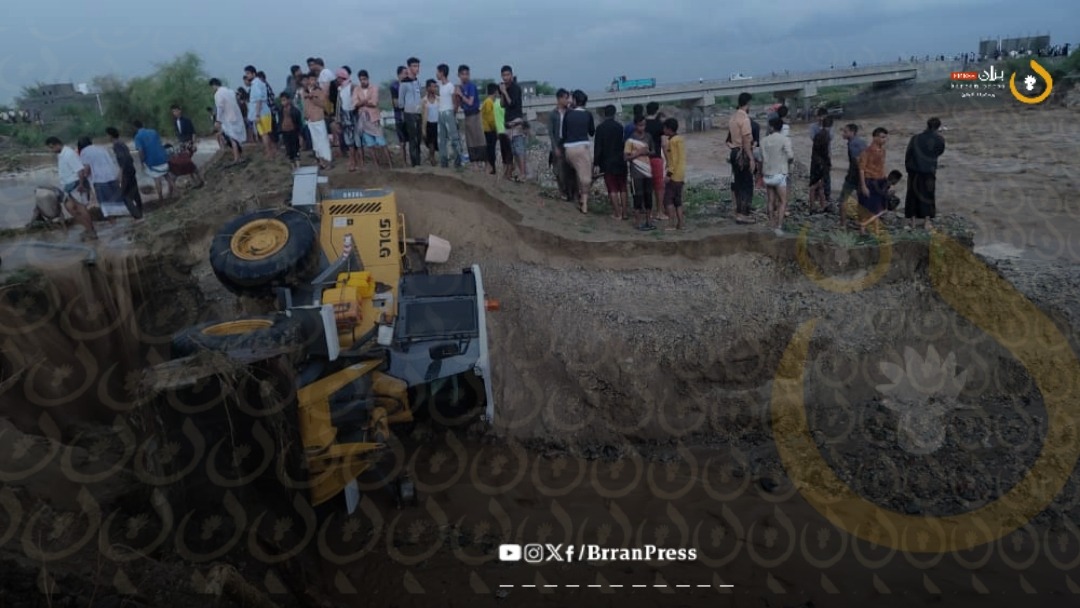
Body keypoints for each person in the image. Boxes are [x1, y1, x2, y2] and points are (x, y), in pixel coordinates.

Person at [45, 136, 96, 240]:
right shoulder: (61, 154)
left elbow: (80, 170)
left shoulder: (69, 154)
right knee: (70, 207)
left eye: (51, 148)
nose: (51, 150)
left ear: (57, 145)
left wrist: (81, 185)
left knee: (81, 208)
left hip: (77, 184)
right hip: (69, 186)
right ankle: (88, 229)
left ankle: (91, 231)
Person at [904, 117, 946, 230]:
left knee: (912, 194)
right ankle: (927, 221)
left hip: (914, 171)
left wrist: (909, 168)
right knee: (928, 195)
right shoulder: (939, 139)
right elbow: (940, 151)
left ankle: (912, 220)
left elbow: (908, 154)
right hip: (929, 171)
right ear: (938, 127)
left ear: (927, 125)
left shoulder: (915, 138)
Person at [560, 89, 596, 214]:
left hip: (569, 149)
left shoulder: (568, 114)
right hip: (582, 148)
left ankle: (575, 196)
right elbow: (592, 132)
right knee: (585, 177)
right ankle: (584, 203)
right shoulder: (588, 115)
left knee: (576, 172)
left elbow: (563, 133)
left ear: (575, 100)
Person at [761, 117, 794, 235]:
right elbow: (790, 156)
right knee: (783, 201)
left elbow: (763, 157)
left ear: (771, 127)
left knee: (770, 201)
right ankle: (779, 227)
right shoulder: (785, 139)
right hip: (780, 174)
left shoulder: (764, 140)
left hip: (768, 175)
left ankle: (771, 224)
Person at [593, 104, 627, 220]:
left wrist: (596, 163)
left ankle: (617, 214)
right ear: (614, 113)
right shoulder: (620, 127)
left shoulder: (600, 128)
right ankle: (625, 213)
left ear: (604, 114)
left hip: (607, 162)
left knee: (612, 188)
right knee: (622, 187)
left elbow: (598, 148)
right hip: (621, 161)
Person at [352, 70, 392, 168]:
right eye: (361, 80)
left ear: (368, 78)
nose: (362, 81)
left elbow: (374, 102)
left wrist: (362, 103)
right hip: (363, 121)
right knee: (370, 144)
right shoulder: (357, 89)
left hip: (373, 118)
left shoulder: (374, 88)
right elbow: (354, 104)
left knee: (382, 142)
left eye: (364, 79)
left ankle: (390, 164)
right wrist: (365, 102)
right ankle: (376, 165)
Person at [727, 93, 756, 224]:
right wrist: (751, 158)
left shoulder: (733, 118)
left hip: (734, 152)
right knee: (747, 184)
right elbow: (746, 139)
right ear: (748, 103)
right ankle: (744, 213)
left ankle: (739, 212)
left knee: (738, 184)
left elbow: (728, 140)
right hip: (742, 154)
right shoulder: (744, 119)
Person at [856, 127, 890, 235]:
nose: (884, 140)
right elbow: (861, 169)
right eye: (882, 137)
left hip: (881, 180)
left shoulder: (883, 151)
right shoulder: (866, 152)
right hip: (870, 181)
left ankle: (875, 230)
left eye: (885, 137)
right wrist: (863, 185)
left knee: (880, 207)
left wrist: (887, 181)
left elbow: (882, 166)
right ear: (875, 137)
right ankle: (863, 227)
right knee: (869, 207)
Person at [624, 116, 656, 231]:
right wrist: (638, 153)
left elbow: (653, 151)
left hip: (647, 171)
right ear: (635, 125)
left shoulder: (648, 137)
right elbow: (626, 157)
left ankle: (649, 220)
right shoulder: (630, 140)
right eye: (640, 125)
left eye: (644, 125)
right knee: (637, 197)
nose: (642, 127)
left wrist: (648, 152)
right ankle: (637, 222)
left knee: (648, 197)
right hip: (636, 172)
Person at [133, 121, 177, 201]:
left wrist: (142, 162)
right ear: (143, 125)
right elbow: (160, 143)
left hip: (153, 161)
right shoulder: (153, 131)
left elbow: (141, 151)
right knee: (167, 176)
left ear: (135, 128)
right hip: (163, 157)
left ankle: (160, 198)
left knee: (157, 179)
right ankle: (174, 193)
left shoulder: (138, 137)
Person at [107, 127, 144, 220]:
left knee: (124, 195)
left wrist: (120, 173)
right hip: (131, 169)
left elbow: (122, 159)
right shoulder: (122, 143)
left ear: (110, 136)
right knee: (135, 192)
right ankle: (140, 212)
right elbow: (129, 158)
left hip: (126, 171)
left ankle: (137, 215)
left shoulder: (116, 145)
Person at [837, 123, 868, 229]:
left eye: (845, 131)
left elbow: (858, 162)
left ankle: (842, 224)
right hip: (863, 176)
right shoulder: (862, 142)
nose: (843, 133)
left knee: (843, 199)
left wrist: (859, 176)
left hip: (853, 177)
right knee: (862, 201)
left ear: (852, 132)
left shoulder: (852, 144)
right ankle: (861, 224)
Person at [210, 78, 246, 164]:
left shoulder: (218, 94)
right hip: (236, 116)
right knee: (236, 137)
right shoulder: (229, 91)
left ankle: (236, 158)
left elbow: (220, 107)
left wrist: (218, 120)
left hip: (228, 119)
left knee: (232, 138)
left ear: (214, 85)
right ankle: (239, 157)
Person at [499, 65, 526, 181]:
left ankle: (523, 173)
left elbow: (512, 103)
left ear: (511, 75)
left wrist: (505, 92)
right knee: (513, 150)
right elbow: (502, 105)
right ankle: (519, 172)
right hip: (508, 121)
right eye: (504, 75)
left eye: (507, 75)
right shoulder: (505, 88)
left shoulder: (515, 88)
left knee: (519, 148)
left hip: (516, 121)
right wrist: (502, 93)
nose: (505, 77)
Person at [301, 71, 333, 170]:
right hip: (311, 120)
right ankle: (320, 161)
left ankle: (328, 161)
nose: (312, 81)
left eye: (314, 80)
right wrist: (306, 116)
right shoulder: (304, 92)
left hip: (319, 118)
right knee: (316, 142)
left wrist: (313, 98)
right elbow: (305, 106)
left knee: (323, 140)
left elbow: (323, 105)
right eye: (310, 80)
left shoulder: (320, 91)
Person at [457, 65, 485, 172]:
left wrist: (461, 95)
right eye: (463, 74)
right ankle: (474, 164)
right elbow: (461, 104)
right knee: (470, 140)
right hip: (467, 115)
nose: (465, 76)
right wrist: (458, 96)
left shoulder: (471, 86)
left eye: (467, 74)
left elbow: (470, 102)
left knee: (477, 138)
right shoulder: (460, 87)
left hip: (474, 115)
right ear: (459, 75)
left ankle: (479, 163)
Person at [547, 89, 574, 200]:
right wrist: (555, 147)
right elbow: (551, 132)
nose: (567, 100)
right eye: (565, 98)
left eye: (568, 98)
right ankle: (562, 191)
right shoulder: (553, 114)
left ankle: (571, 192)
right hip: (558, 144)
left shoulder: (570, 112)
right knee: (559, 170)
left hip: (568, 144)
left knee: (570, 169)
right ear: (559, 99)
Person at [435, 64, 462, 168]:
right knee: (441, 140)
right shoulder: (441, 86)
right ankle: (444, 162)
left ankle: (458, 162)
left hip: (448, 112)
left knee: (454, 138)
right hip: (441, 113)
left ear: (442, 73)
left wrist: (453, 113)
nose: (436, 74)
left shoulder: (450, 86)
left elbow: (455, 101)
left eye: (437, 72)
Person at [398, 57, 424, 167]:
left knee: (418, 138)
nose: (416, 68)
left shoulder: (417, 81)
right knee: (413, 139)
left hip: (418, 112)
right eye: (414, 66)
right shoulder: (404, 83)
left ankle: (418, 161)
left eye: (417, 66)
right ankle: (415, 164)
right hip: (409, 113)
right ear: (409, 67)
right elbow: (400, 101)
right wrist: (404, 112)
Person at [662, 118, 687, 231]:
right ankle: (681, 224)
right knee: (678, 201)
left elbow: (674, 160)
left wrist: (668, 174)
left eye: (665, 128)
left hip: (674, 175)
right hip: (681, 174)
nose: (663, 130)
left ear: (668, 129)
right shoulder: (680, 139)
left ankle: (671, 224)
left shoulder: (672, 142)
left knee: (668, 200)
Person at [644, 102, 666, 222]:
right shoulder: (659, 125)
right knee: (659, 186)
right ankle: (659, 212)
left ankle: (649, 212)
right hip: (656, 157)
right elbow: (663, 143)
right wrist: (668, 159)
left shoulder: (642, 124)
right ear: (657, 111)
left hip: (643, 158)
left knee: (647, 186)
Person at [809, 116, 833, 213]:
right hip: (821, 165)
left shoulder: (818, 135)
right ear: (831, 125)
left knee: (819, 186)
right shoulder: (826, 136)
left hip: (815, 163)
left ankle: (822, 205)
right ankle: (813, 207)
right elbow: (825, 153)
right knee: (815, 186)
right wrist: (828, 164)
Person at [278, 93, 303, 169]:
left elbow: (299, 123)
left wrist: (300, 135)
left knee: (295, 148)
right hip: (285, 132)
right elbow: (280, 121)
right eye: (282, 100)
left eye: (284, 100)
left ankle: (298, 166)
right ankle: (293, 166)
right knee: (289, 150)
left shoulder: (295, 111)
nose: (283, 102)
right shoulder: (281, 110)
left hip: (293, 131)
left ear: (289, 100)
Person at [481, 83, 499, 175]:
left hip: (487, 130)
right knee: (490, 150)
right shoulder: (489, 102)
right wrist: (496, 130)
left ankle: (491, 168)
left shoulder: (488, 102)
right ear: (495, 92)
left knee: (490, 150)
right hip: (489, 130)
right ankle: (491, 168)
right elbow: (491, 119)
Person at [420, 79, 440, 166]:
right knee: (430, 143)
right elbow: (422, 115)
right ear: (427, 88)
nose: (434, 88)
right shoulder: (424, 101)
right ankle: (432, 159)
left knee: (437, 143)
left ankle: (436, 158)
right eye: (432, 86)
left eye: (435, 86)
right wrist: (423, 129)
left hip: (437, 123)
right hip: (429, 123)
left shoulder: (439, 99)